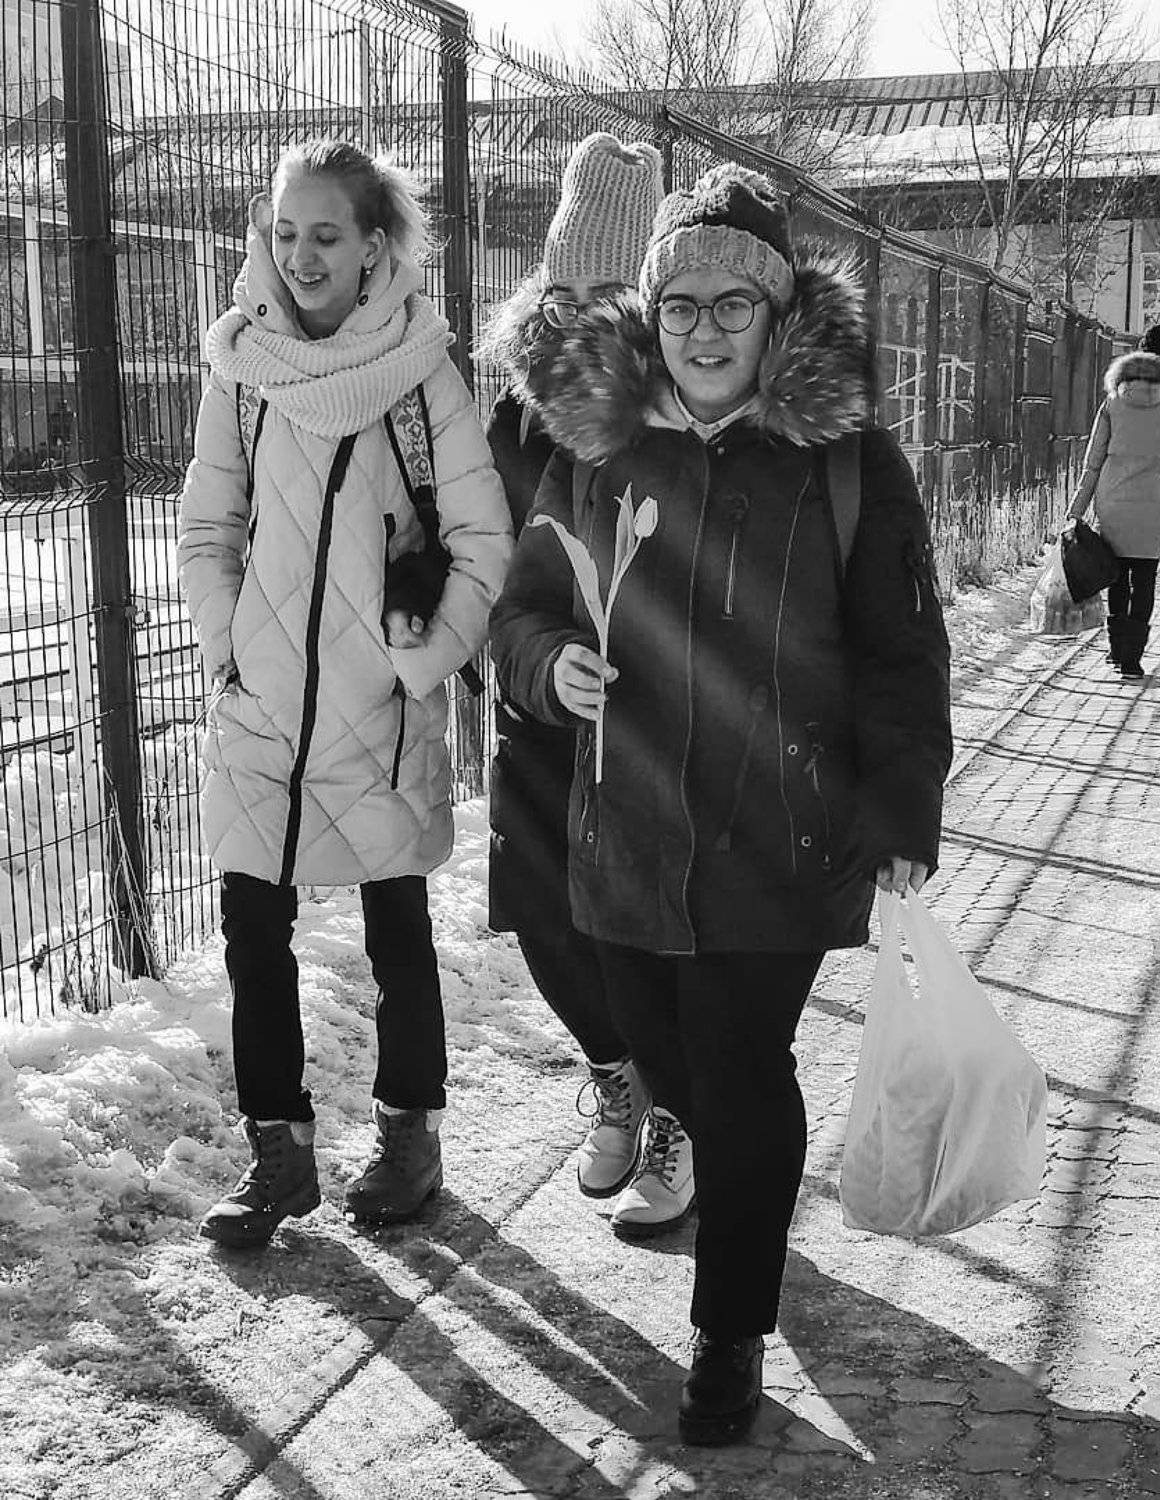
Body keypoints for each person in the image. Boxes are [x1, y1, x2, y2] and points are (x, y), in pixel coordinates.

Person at [490, 163, 952, 1446]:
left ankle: (729, 1328)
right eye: (681, 303)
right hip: (626, 837)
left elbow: (904, 651)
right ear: (652, 314)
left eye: (732, 304)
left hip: (779, 837)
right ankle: (730, 1197)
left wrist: (901, 809)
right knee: (673, 1060)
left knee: (744, 1074)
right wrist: (545, 665)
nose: (703, 329)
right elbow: (522, 611)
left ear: (777, 314)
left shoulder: (845, 461)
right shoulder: (599, 447)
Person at [178, 140, 513, 1247]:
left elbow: (483, 540)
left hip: (380, 706)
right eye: (286, 233)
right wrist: (228, 648)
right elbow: (209, 526)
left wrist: (420, 663)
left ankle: (410, 1138)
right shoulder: (242, 367)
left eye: (326, 234)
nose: (302, 255)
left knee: (395, 926)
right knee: (250, 926)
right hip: (264, 701)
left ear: (374, 246)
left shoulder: (421, 375)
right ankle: (276, 1154)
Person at [474, 132, 672, 1231]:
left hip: (649, 720)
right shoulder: (509, 413)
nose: (584, 316)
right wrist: (536, 661)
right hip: (539, 700)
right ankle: (616, 1073)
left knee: (643, 925)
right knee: (543, 913)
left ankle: (675, 1106)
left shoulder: (673, 413)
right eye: (569, 291)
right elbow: (487, 562)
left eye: (610, 294)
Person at [1065, 322, 1160, 679]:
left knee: (1117, 577)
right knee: (1145, 578)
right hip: (1155, 505)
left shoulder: (1114, 399)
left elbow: (1093, 461)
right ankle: (1132, 659)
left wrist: (1076, 510)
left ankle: (1115, 648)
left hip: (1113, 500)